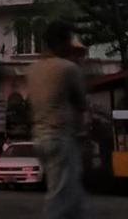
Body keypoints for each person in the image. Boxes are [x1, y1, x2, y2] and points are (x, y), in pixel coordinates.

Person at [28, 21, 87, 219]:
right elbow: (81, 102)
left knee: (71, 195)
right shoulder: (67, 68)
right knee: (60, 200)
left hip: (40, 137)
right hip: (60, 138)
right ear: (63, 43)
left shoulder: (34, 69)